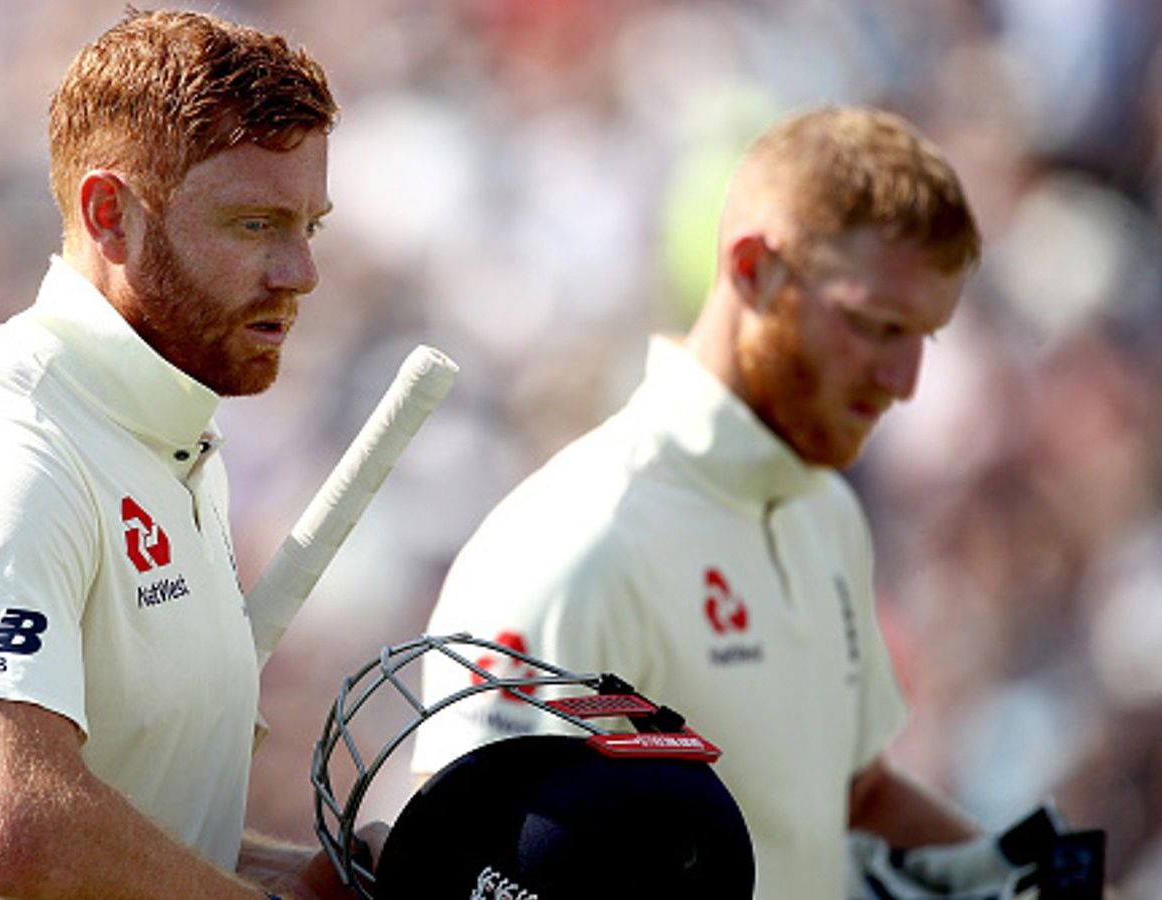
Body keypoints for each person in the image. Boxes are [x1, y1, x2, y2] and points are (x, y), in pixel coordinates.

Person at [0, 10, 360, 898]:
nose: (300, 271)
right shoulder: (4, 449)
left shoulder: (158, 429)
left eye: (307, 225)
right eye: (254, 225)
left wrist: (325, 878)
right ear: (109, 215)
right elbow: (16, 822)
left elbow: (133, 838)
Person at [410, 106, 985, 899]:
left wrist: (1056, 880)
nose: (905, 381)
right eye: (873, 325)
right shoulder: (578, 541)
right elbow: (461, 864)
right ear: (752, 268)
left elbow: (849, 798)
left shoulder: (827, 513)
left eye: (924, 334)